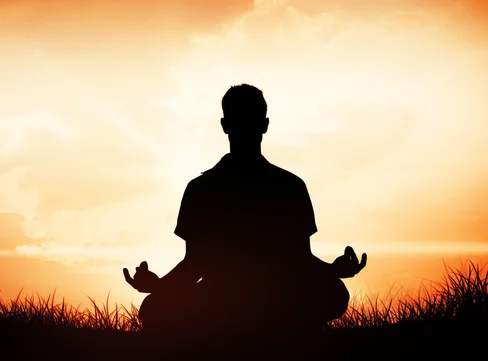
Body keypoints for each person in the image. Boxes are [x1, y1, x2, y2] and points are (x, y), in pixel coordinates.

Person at [123, 84, 367, 342]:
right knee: (333, 293)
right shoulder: (288, 185)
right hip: (267, 300)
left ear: (225, 125)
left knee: (153, 308)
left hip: (229, 301)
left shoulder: (202, 188)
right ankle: (285, 329)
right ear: (265, 125)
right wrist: (332, 270)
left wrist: (159, 287)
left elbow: (195, 264)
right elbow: (300, 259)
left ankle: (227, 331)